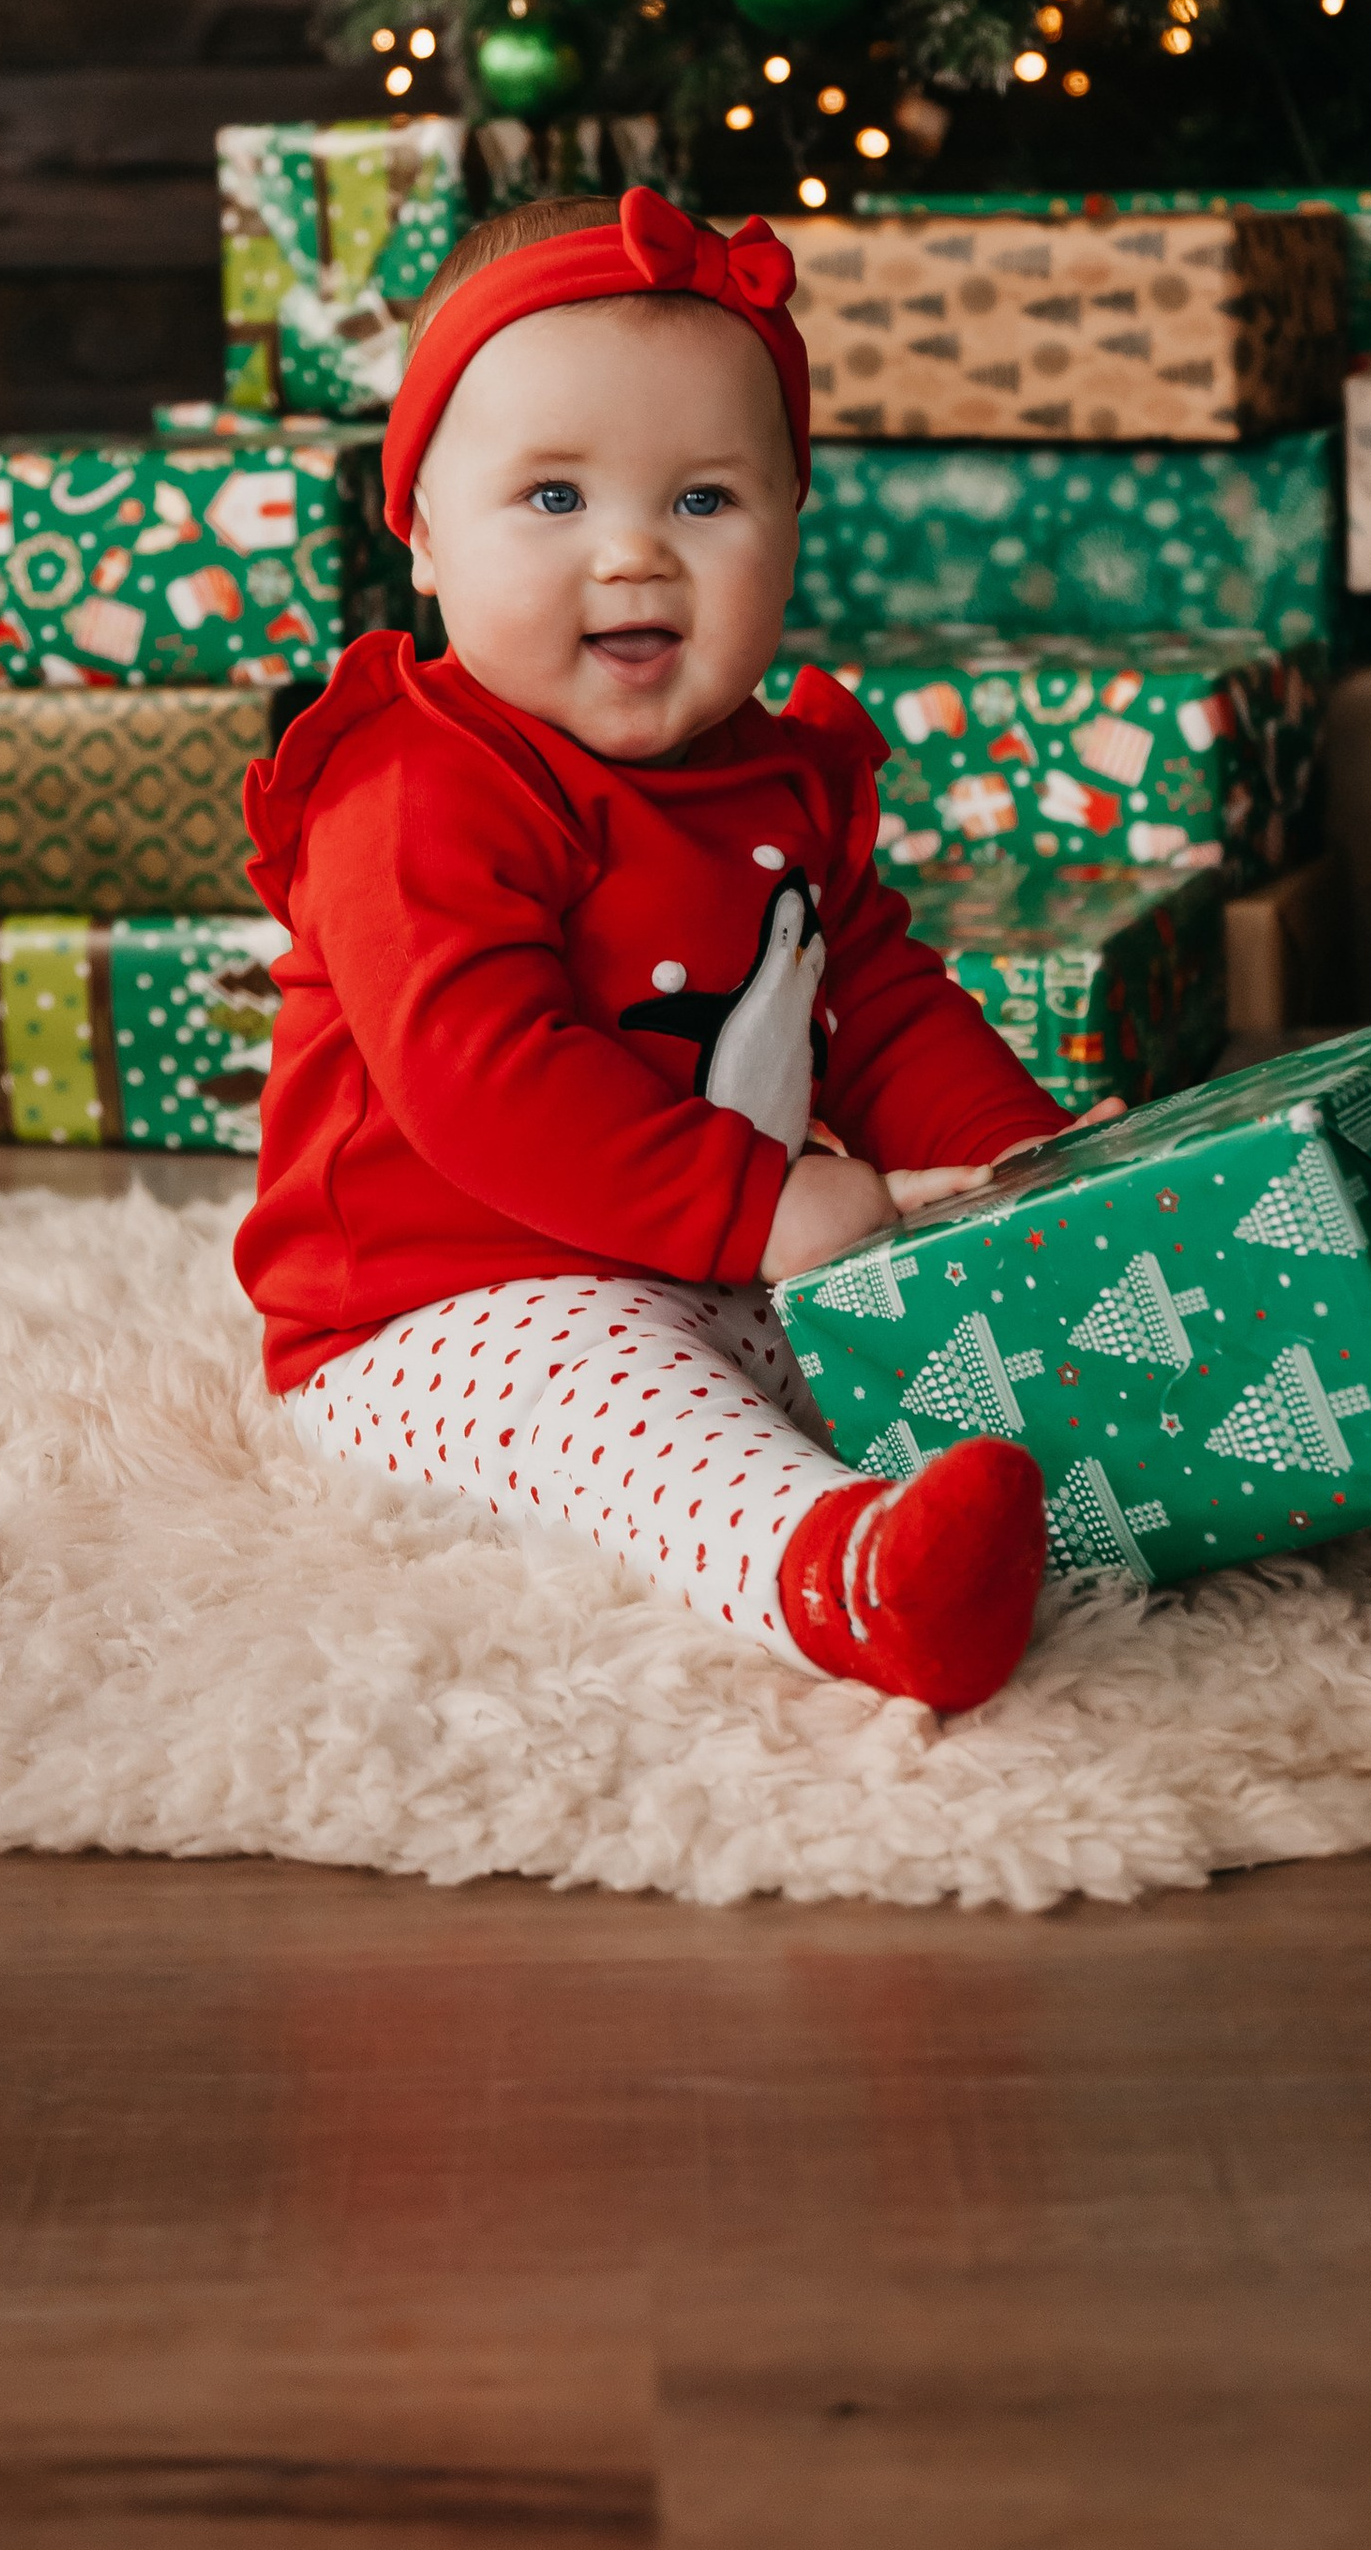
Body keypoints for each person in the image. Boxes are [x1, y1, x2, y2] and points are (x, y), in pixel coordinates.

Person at [235, 187, 1075, 1713]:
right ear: (421, 532)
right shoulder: (413, 787)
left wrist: (1023, 1174)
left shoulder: (777, 771)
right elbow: (483, 1078)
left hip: (729, 1254)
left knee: (987, 1335)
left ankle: (1258, 1433)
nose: (634, 556)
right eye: (554, 500)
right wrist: (763, 1204)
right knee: (626, 1407)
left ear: (790, 521)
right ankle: (842, 1576)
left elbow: (876, 1002)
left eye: (704, 501)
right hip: (451, 1311)